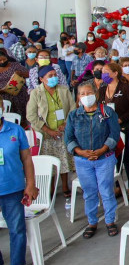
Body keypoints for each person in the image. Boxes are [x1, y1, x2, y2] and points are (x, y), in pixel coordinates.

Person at [65, 80, 121, 238]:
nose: (86, 96)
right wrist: (80, 152)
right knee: (89, 192)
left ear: (96, 94)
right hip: (83, 161)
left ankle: (110, 221)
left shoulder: (107, 112)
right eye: (82, 94)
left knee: (106, 191)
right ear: (78, 97)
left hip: (105, 158)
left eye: (89, 93)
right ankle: (92, 222)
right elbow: (68, 138)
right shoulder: (74, 115)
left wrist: (102, 150)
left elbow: (114, 134)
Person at [26, 65, 77, 204]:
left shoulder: (63, 90)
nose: (54, 77)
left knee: (64, 159)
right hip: (46, 133)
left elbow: (72, 109)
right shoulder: (36, 93)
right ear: (42, 79)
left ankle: (65, 186)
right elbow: (31, 116)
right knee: (50, 160)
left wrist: (65, 124)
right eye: (50, 76)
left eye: (55, 74)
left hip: (62, 130)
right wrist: (48, 130)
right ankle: (51, 187)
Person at [0, 102, 37, 265]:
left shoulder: (15, 130)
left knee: (16, 227)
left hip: (12, 187)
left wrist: (30, 184)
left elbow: (27, 159)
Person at [98, 62, 129, 193]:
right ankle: (117, 185)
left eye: (106, 72)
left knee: (126, 156)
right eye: (102, 72)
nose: (103, 75)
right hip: (108, 127)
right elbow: (100, 107)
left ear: (115, 73)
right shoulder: (102, 89)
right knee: (112, 155)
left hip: (124, 126)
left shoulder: (125, 88)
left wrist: (121, 119)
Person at [0, 48, 30, 126]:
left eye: (4, 59)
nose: (2, 62)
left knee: (22, 117)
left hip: (19, 94)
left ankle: (23, 128)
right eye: (0, 61)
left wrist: (20, 73)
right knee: (8, 118)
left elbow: (29, 74)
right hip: (3, 96)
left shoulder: (15, 65)